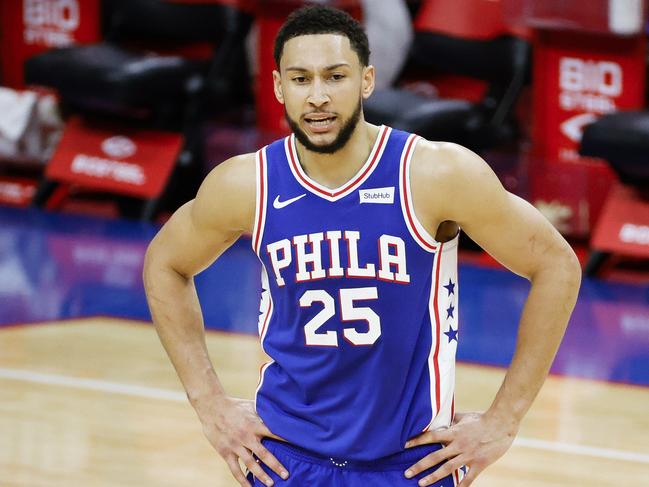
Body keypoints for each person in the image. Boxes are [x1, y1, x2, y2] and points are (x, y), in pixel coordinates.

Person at [143, 6, 581, 487]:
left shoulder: (435, 174)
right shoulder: (248, 184)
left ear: (367, 80)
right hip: (284, 462)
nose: (318, 97)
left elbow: (556, 265)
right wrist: (209, 403)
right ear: (277, 86)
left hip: (410, 465)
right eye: (301, 79)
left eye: (335, 77)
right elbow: (165, 263)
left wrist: (504, 421)